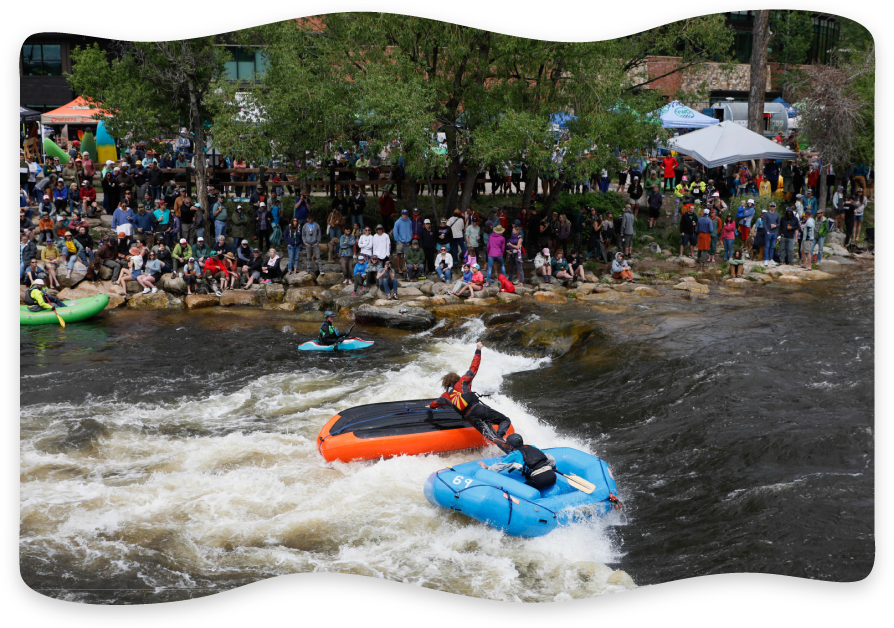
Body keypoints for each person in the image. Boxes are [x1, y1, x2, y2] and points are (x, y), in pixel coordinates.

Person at [430, 343, 512, 451]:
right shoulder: (463, 381)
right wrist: (478, 350)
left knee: (493, 438)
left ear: (445, 384)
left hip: (471, 418)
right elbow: (474, 367)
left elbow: (434, 404)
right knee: (505, 420)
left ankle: (502, 445)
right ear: (456, 378)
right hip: (479, 409)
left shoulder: (445, 396)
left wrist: (430, 406)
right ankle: (500, 436)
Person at [477, 433, 557, 491]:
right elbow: (550, 458)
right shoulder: (532, 447)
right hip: (552, 476)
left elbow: (499, 466)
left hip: (539, 480)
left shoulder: (514, 454)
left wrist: (487, 468)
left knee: (521, 491)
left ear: (510, 446)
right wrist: (553, 467)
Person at [393, 209, 414, 276]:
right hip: (400, 241)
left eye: (406, 214)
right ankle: (399, 268)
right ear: (401, 214)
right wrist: (397, 240)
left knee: (405, 255)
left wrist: (410, 237)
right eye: (403, 214)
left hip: (407, 241)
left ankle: (404, 267)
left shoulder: (409, 222)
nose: (405, 215)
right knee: (399, 254)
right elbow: (395, 232)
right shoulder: (398, 222)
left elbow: (411, 230)